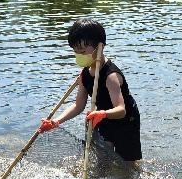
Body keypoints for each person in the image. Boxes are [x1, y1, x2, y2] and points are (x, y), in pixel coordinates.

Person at [37, 18, 142, 166]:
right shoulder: (85, 74)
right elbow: (78, 106)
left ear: (99, 48)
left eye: (83, 51)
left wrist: (103, 113)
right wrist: (56, 121)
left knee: (127, 163)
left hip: (125, 121)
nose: (79, 55)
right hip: (101, 117)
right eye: (76, 51)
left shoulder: (111, 76)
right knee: (102, 159)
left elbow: (121, 110)